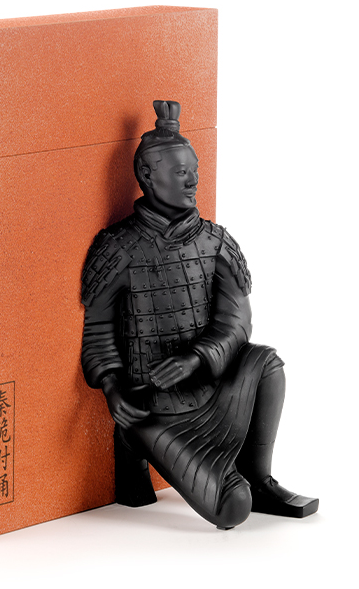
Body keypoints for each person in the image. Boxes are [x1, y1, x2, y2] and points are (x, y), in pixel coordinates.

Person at [80, 100, 317, 529]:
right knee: (232, 508)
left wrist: (196, 358)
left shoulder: (216, 241)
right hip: (154, 407)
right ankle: (143, 446)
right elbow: (97, 331)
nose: (193, 180)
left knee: (266, 361)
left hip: (212, 387)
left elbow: (237, 324)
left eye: (194, 170)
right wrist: (113, 389)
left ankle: (258, 477)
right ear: (147, 176)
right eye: (180, 172)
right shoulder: (117, 247)